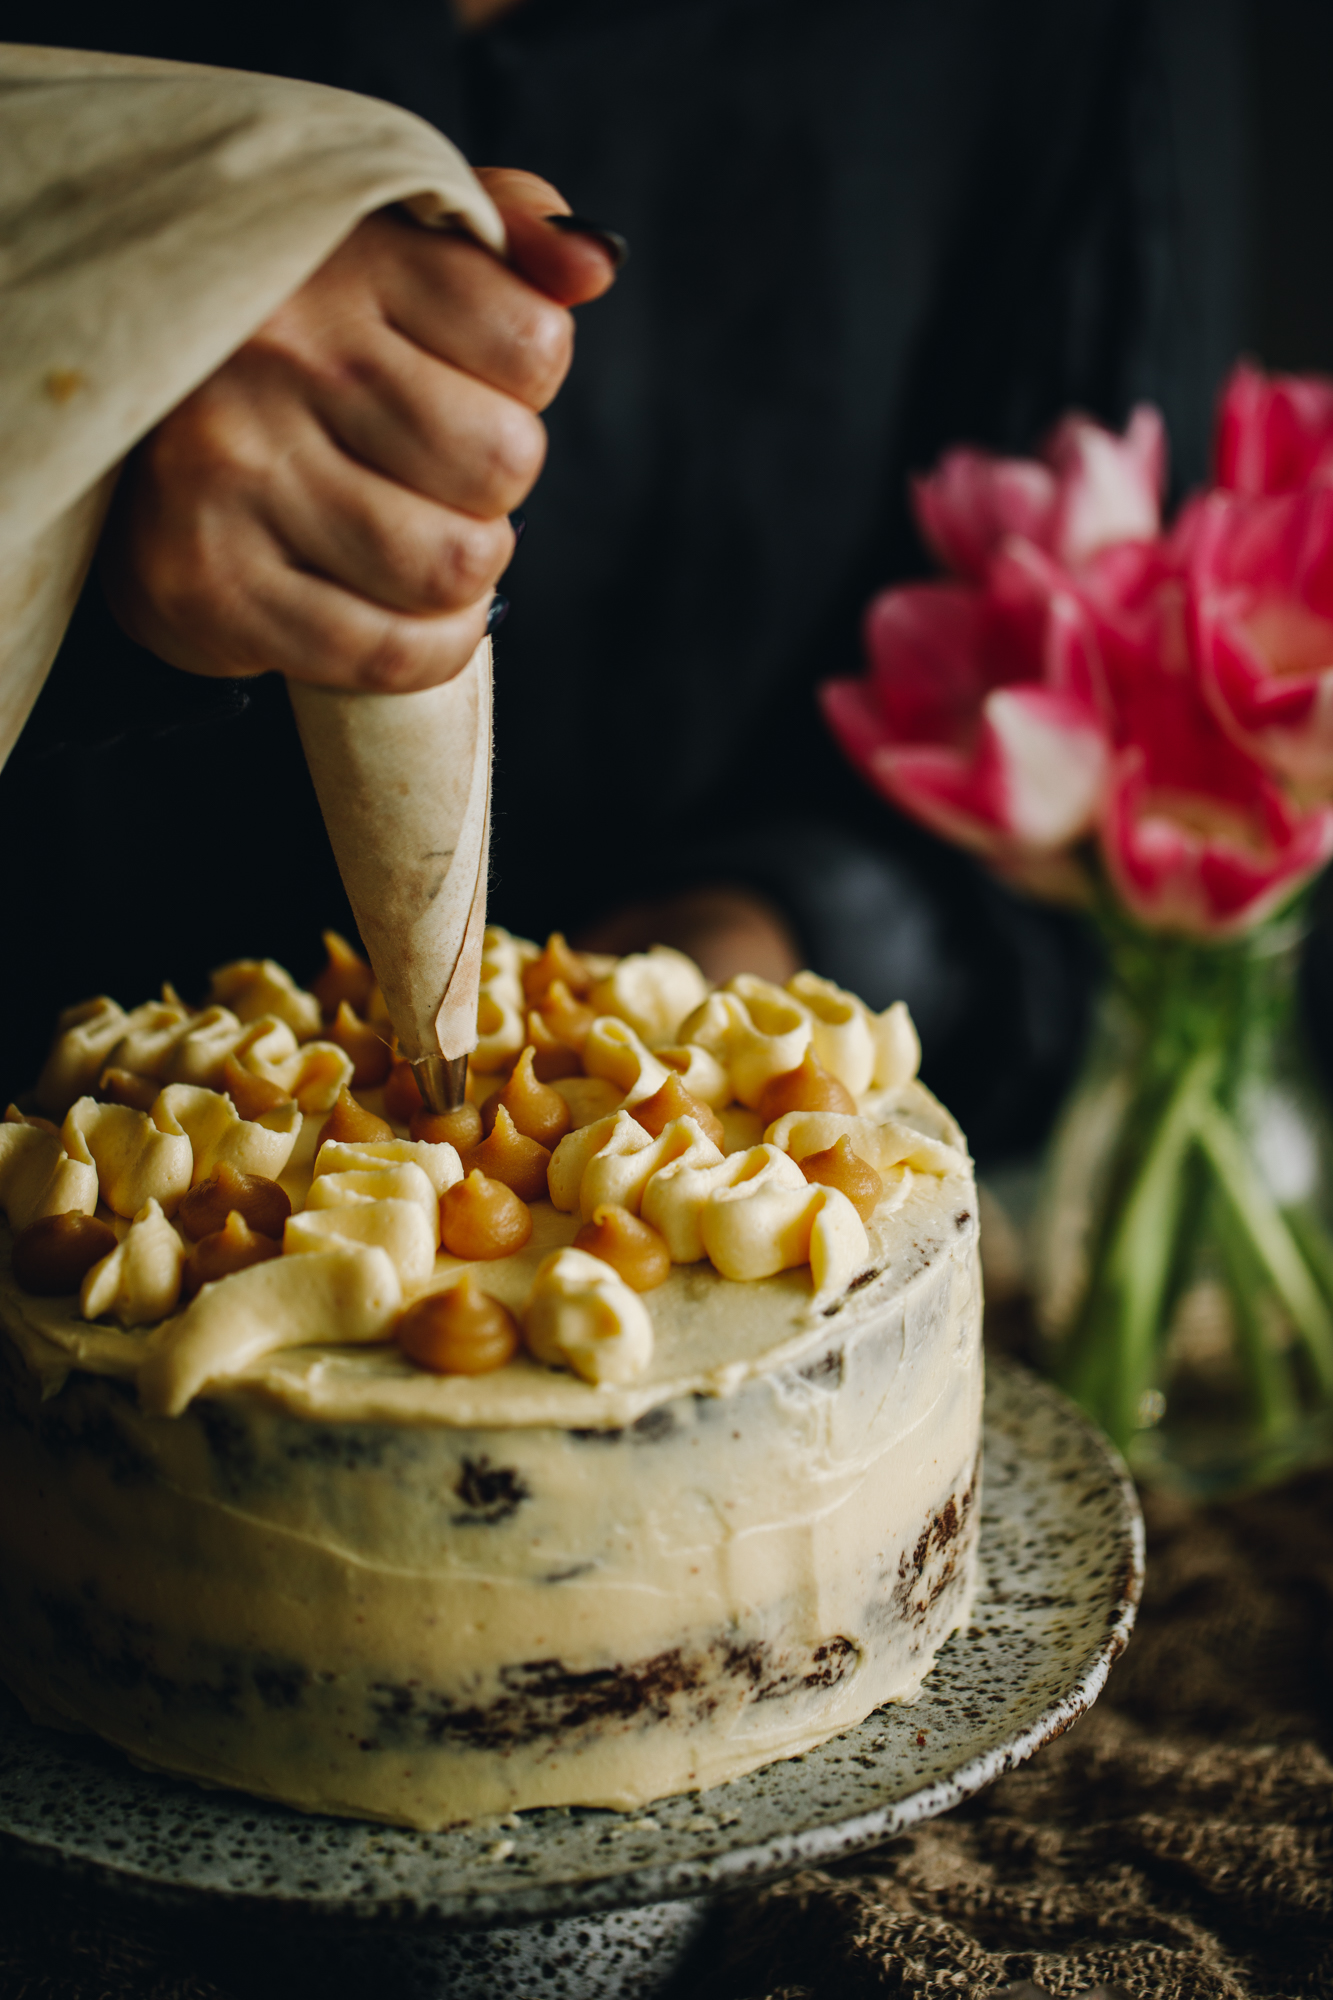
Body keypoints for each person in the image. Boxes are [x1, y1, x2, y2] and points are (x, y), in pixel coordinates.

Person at [0, 0, 1244, 1159]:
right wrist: (75, 444)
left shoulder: (1031, 42)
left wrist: (755, 944)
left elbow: (1084, 779)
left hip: (715, 1197)